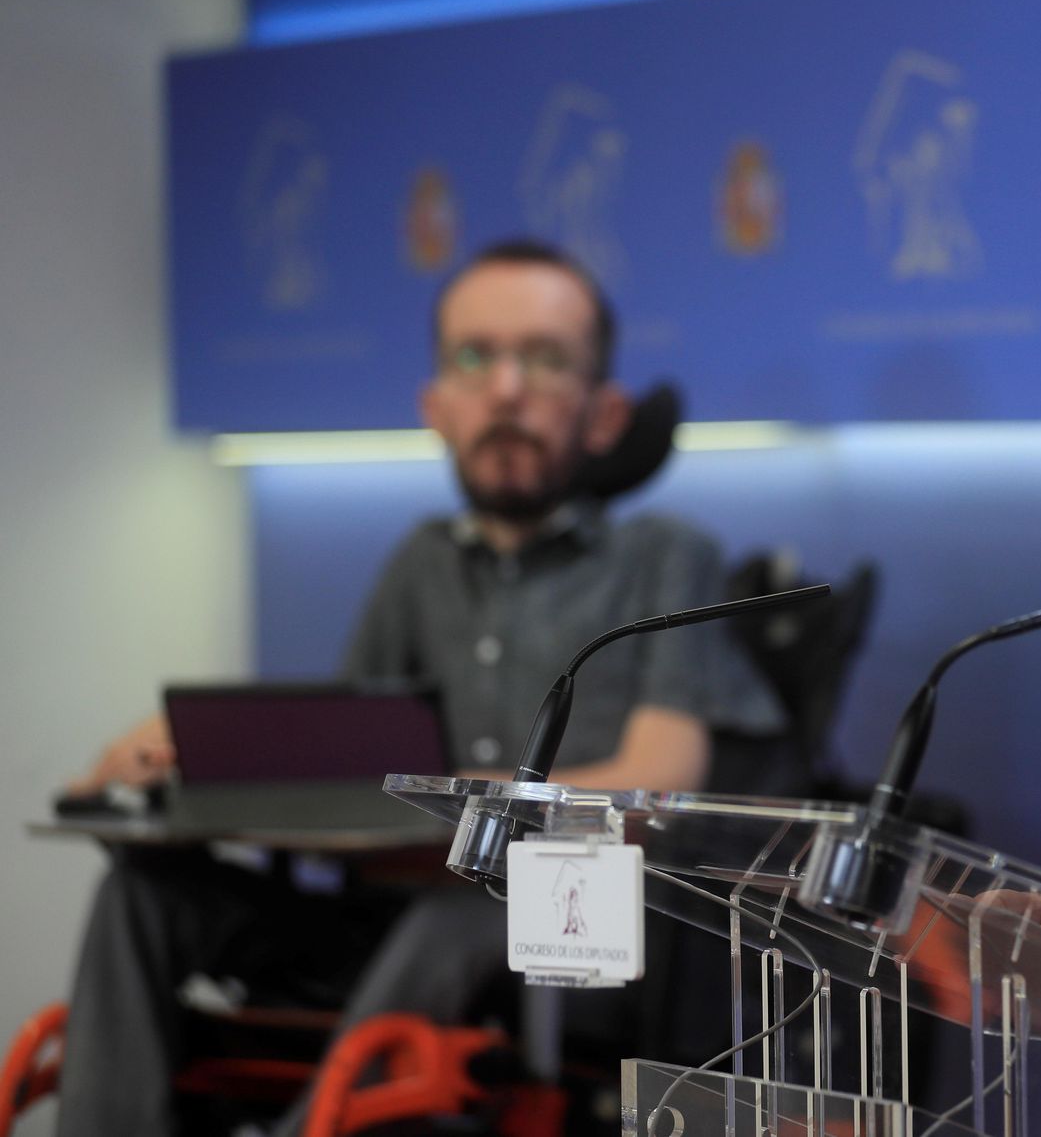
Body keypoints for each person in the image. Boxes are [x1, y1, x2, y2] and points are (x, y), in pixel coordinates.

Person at [54, 239, 783, 1136]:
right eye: (475, 357)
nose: (506, 389)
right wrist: (192, 760)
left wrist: (469, 812)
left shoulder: (664, 557)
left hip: (569, 941)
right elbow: (343, 773)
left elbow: (662, 776)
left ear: (604, 414)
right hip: (385, 922)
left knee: (468, 903)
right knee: (142, 892)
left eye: (545, 359)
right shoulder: (420, 565)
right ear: (435, 405)